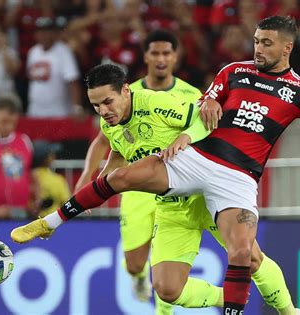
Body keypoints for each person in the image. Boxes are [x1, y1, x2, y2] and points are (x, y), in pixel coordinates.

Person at [12, 16, 300, 315]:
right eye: (256, 41)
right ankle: (51, 222)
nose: (258, 49)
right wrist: (203, 111)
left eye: (267, 44)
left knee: (246, 255)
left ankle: (288, 312)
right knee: (122, 186)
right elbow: (205, 103)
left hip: (238, 178)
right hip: (199, 161)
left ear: (287, 48)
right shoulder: (234, 71)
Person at [74, 30, 205, 311]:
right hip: (136, 187)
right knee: (134, 263)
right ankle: (138, 276)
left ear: (175, 56)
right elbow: (104, 142)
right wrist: (87, 180)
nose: (160, 59)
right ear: (145, 56)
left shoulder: (191, 94)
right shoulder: (121, 93)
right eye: (155, 53)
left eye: (166, 53)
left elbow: (203, 129)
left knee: (165, 261)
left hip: (174, 187)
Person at [32, 140, 70, 218]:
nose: (54, 157)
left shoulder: (25, 178)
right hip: (52, 222)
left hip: (27, 222)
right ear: (44, 158)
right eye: (51, 155)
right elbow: (67, 204)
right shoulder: (57, 179)